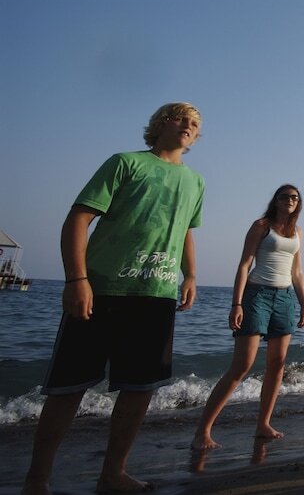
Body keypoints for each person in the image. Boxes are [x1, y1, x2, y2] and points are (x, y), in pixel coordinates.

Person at [23, 102, 204, 495]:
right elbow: (79, 218)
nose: (189, 125)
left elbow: (186, 230)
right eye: (181, 117)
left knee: (140, 389)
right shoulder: (126, 163)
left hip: (156, 295)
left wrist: (190, 274)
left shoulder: (196, 182)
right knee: (68, 387)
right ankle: (37, 479)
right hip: (102, 289)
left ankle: (113, 473)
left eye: (195, 123)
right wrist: (76, 279)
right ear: (161, 123)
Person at [191, 184, 304, 450]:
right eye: (285, 196)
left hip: (285, 298)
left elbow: (297, 271)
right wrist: (236, 304)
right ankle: (203, 431)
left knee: (277, 364)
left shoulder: (297, 232)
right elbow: (245, 264)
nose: (290, 200)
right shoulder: (261, 226)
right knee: (242, 365)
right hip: (257, 295)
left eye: (294, 197)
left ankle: (263, 425)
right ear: (276, 200)